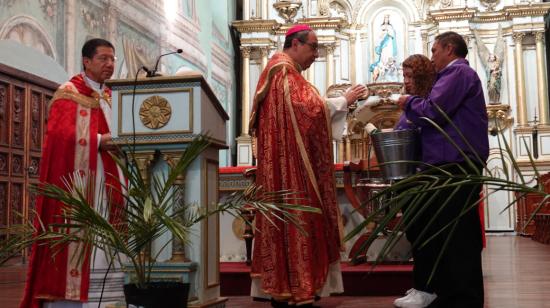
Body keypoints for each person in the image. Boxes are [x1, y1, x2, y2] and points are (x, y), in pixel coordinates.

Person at [248, 24, 366, 307]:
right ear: (295, 44)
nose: (316, 53)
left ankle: (286, 287)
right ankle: (295, 286)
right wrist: (344, 100)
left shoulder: (281, 73)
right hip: (292, 172)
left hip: (284, 166)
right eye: (313, 47)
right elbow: (310, 111)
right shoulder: (284, 74)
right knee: (302, 218)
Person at [21, 38, 125, 308]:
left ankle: (114, 295)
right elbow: (59, 135)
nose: (110, 64)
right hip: (83, 180)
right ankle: (77, 297)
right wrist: (100, 141)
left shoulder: (115, 96)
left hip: (113, 178)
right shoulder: (68, 92)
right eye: (103, 58)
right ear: (86, 61)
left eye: (112, 59)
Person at [395, 32, 488, 308]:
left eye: (435, 50)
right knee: (447, 232)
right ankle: (446, 293)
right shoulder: (452, 76)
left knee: (458, 234)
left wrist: (407, 102)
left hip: (455, 164)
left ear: (449, 49)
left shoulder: (457, 73)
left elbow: (432, 111)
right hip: (446, 164)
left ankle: (462, 298)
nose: (432, 55)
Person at [370, 14, 398, 82]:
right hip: (383, 44)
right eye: (385, 18)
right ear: (384, 19)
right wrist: (383, 33)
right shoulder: (381, 26)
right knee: (383, 54)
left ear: (388, 20)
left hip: (389, 43)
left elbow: (393, 35)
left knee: (389, 53)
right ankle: (383, 65)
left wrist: (388, 31)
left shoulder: (390, 26)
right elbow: (379, 36)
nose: (386, 20)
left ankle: (389, 65)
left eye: (387, 18)